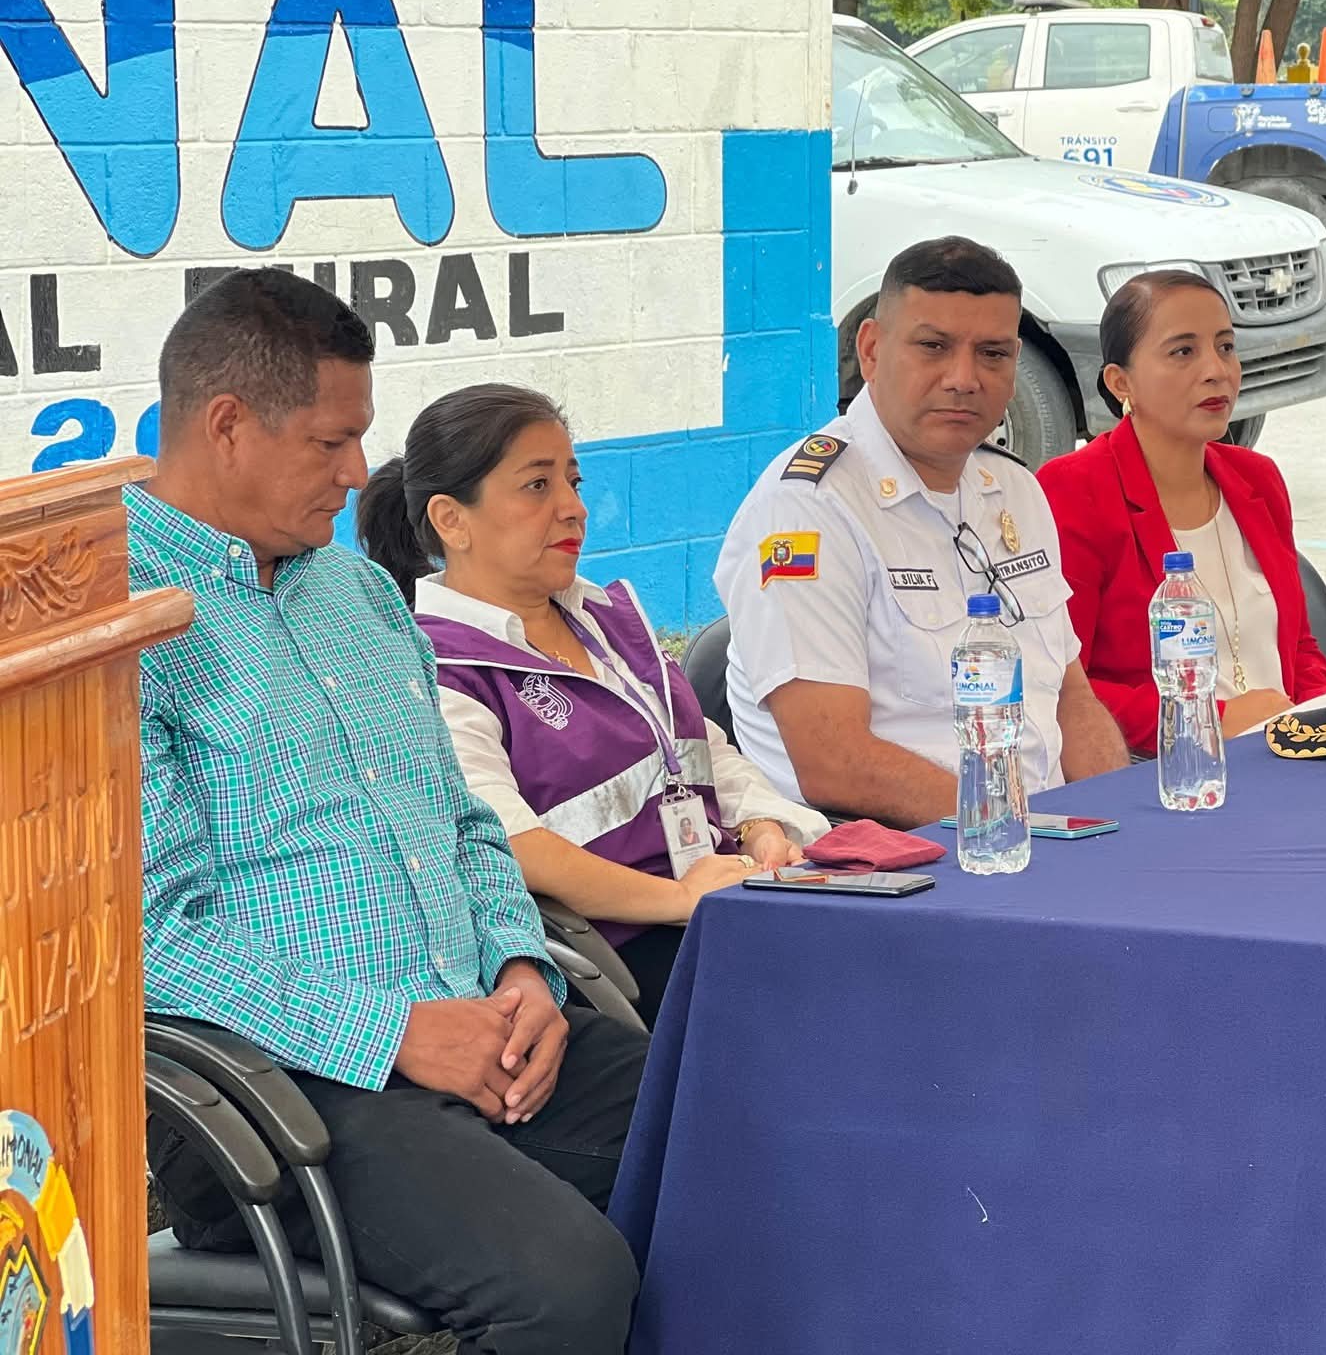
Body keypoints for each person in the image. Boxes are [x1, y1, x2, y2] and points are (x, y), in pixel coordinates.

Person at [133, 269, 645, 1353]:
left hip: (483, 1023)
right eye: (331, 442)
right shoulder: (123, 620)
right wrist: (395, 1033)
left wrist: (522, 969)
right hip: (283, 1087)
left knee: (748, 1145)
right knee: (566, 1288)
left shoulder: (356, 589)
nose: (359, 473)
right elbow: (146, 933)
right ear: (228, 427)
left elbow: (465, 823)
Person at [358, 384, 829, 1021]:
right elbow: (514, 845)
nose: (573, 509)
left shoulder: (604, 621)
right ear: (451, 520)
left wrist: (763, 827)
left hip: (720, 901)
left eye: (573, 482)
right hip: (619, 954)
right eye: (537, 486)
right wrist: (680, 899)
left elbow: (704, 753)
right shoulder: (440, 668)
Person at [715, 236, 1128, 826]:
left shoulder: (1015, 489)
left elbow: (1070, 696)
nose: (964, 378)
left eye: (992, 354)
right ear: (872, 350)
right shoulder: (808, 507)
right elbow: (833, 761)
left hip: (1042, 836)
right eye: (934, 347)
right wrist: (1018, 828)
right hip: (907, 855)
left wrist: (1118, 823)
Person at [1037, 270, 1326, 751]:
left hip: (1287, 752)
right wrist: (1211, 719)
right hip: (1165, 765)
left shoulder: (1257, 478)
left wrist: (1324, 719)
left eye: (1226, 347)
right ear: (1120, 382)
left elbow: (1300, 646)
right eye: (1183, 352)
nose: (1217, 370)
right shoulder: (1074, 489)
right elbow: (1066, 687)